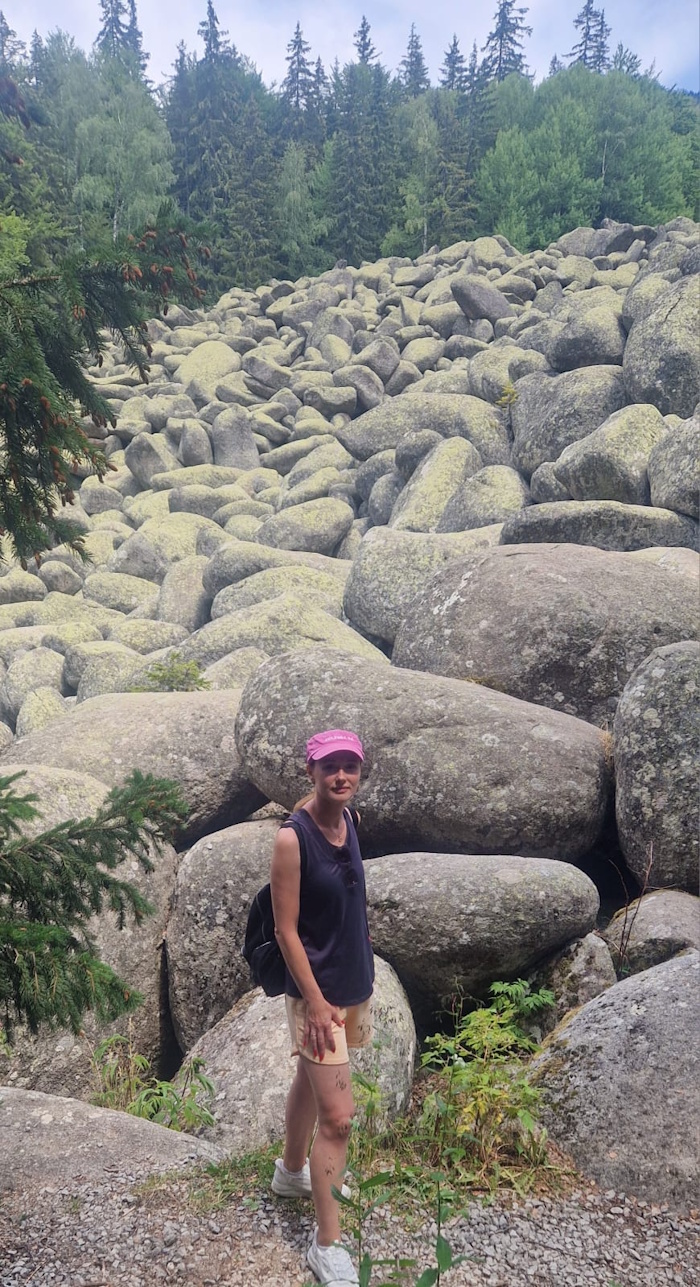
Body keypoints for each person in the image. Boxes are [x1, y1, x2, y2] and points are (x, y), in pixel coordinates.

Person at [269, 728, 374, 1287]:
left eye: (350, 767)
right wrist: (313, 1002)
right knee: (338, 1116)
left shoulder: (351, 823)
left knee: (309, 1084)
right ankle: (326, 1246)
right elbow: (286, 931)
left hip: (353, 985)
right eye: (330, 767)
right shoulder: (293, 840)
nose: (341, 777)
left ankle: (291, 1173)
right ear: (310, 770)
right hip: (319, 998)